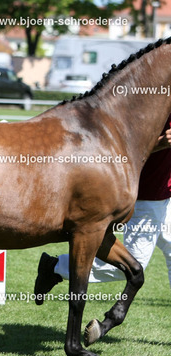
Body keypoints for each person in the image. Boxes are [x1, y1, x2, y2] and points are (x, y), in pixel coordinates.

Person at [34, 116, 171, 303]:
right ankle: (56, 266)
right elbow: (126, 149)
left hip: (165, 193)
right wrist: (162, 142)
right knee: (130, 265)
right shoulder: (154, 106)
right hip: (147, 196)